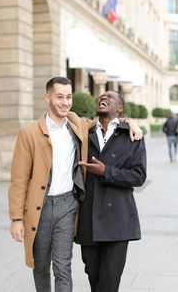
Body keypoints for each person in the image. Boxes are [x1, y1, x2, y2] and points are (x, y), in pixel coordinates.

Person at [8, 77, 142, 292]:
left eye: (68, 97)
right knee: (41, 265)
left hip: (68, 206)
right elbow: (18, 180)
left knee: (63, 265)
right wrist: (16, 218)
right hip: (39, 208)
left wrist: (130, 122)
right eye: (59, 97)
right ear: (47, 97)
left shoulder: (77, 124)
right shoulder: (29, 133)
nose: (65, 102)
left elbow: (109, 120)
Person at [75, 90, 147, 292]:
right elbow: (66, 115)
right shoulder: (84, 133)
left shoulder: (132, 136)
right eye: (101, 97)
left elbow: (139, 176)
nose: (103, 98)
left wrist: (107, 171)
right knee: (93, 276)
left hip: (118, 220)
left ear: (120, 107)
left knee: (109, 282)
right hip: (88, 220)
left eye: (110, 97)